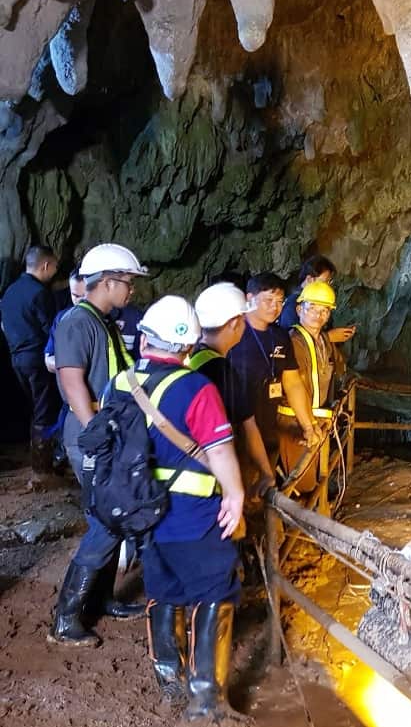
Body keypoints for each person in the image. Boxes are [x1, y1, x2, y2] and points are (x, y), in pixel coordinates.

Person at [115, 296, 245, 719]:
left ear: (144, 338)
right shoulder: (196, 387)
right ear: (188, 348)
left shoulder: (119, 382)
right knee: (215, 590)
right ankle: (207, 700)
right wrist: (235, 496)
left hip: (141, 515)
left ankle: (169, 679)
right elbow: (220, 450)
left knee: (163, 591)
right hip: (191, 517)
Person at [48, 243, 148, 647]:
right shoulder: (77, 321)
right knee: (107, 523)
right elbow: (72, 381)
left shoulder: (102, 321)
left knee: (112, 520)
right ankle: (66, 617)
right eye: (128, 283)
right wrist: (98, 433)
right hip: (92, 436)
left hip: (108, 432)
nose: (132, 291)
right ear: (107, 282)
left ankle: (102, 599)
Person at [190, 282, 273, 496]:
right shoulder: (222, 370)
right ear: (235, 323)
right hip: (215, 479)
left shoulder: (191, 357)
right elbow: (248, 425)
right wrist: (266, 472)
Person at [227, 273, 302, 477]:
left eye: (280, 301)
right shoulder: (231, 332)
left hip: (268, 424)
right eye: (268, 300)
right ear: (249, 298)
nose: (275, 307)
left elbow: (292, 382)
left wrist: (308, 425)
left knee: (264, 485)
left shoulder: (280, 336)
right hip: (235, 429)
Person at [277, 280, 342, 510]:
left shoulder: (322, 340)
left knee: (314, 476)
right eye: (312, 308)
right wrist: (309, 424)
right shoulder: (294, 341)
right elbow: (292, 384)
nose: (318, 315)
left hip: (316, 420)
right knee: (300, 481)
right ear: (299, 309)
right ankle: (298, 538)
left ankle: (309, 530)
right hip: (296, 422)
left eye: (324, 310)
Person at [1, 245, 60, 476]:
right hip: (37, 360)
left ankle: (38, 460)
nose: (56, 271)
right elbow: (50, 329)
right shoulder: (39, 293)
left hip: (16, 359)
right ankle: (42, 468)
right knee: (44, 411)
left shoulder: (10, 292)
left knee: (35, 409)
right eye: (54, 266)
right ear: (45, 265)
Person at [43, 272, 87, 470]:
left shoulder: (116, 319)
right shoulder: (62, 319)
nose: (78, 301)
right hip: (71, 402)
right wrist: (69, 364)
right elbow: (48, 359)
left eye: (83, 296)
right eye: (74, 295)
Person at [277, 254, 355, 343]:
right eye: (325, 281)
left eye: (330, 281)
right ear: (310, 280)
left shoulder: (315, 300)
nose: (328, 286)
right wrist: (329, 337)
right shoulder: (293, 305)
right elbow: (292, 341)